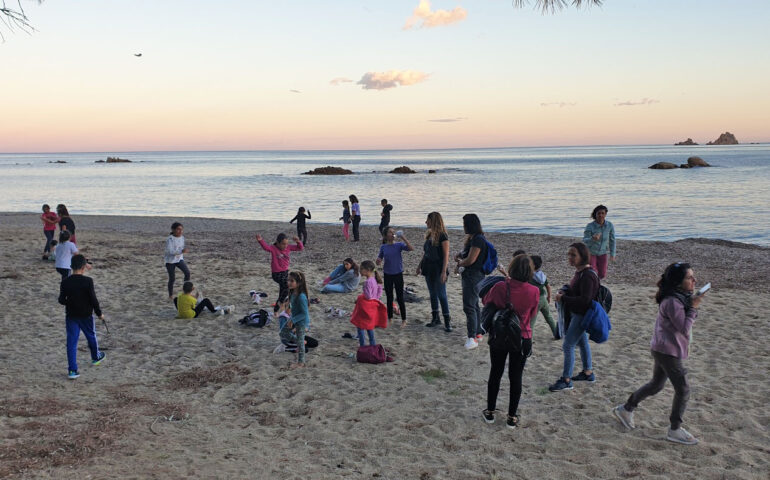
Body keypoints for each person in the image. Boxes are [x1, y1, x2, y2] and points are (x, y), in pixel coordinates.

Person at [612, 262, 704, 445]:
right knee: (683, 389)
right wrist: (694, 307)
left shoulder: (680, 297)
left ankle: (626, 409)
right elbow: (684, 328)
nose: (694, 280)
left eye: (693, 276)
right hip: (667, 351)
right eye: (689, 277)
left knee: (656, 385)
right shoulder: (672, 301)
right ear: (678, 282)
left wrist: (692, 301)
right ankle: (675, 429)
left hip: (664, 348)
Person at [481, 254, 540, 429]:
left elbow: (486, 302)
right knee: (516, 377)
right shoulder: (534, 291)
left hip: (500, 334)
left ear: (512, 268)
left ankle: (490, 412)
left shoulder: (500, 286)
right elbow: (532, 314)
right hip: (522, 336)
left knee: (496, 372)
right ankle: (511, 417)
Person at [549, 242, 600, 392]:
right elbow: (575, 292)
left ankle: (566, 380)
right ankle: (588, 372)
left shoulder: (588, 275)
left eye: (573, 255)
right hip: (577, 313)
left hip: (582, 315)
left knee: (568, 345)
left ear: (582, 256)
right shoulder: (580, 273)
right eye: (569, 254)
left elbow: (585, 300)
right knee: (583, 343)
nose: (570, 257)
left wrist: (563, 299)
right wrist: (564, 291)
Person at [58, 254, 106, 379]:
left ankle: (72, 370)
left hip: (71, 316)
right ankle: (95, 357)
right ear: (84, 267)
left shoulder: (65, 282)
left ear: (71, 266)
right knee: (91, 336)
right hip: (86, 315)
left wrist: (71, 301)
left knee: (72, 343)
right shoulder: (88, 281)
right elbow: (93, 299)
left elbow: (61, 300)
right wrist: (99, 313)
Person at [454, 213, 488, 350]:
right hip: (474, 276)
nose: (463, 227)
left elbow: (471, 260)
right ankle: (477, 333)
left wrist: (460, 263)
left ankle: (472, 337)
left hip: (473, 276)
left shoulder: (478, 239)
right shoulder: (475, 238)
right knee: (474, 305)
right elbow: (468, 255)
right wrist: (461, 255)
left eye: (465, 225)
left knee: (469, 306)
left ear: (470, 225)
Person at [417, 212, 452, 332]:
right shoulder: (429, 235)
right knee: (432, 294)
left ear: (434, 221)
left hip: (438, 268)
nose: (426, 222)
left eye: (428, 220)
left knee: (442, 294)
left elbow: (446, 255)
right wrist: (419, 265)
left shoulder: (443, 236)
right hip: (428, 267)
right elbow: (425, 253)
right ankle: (435, 317)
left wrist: (443, 271)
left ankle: (447, 320)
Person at [256, 232, 304, 312]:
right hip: (276, 274)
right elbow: (266, 247)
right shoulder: (273, 248)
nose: (285, 246)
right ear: (277, 243)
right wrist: (260, 240)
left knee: (283, 291)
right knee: (287, 286)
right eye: (283, 244)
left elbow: (300, 248)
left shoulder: (288, 247)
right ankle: (281, 303)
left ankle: (277, 309)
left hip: (285, 273)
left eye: (286, 244)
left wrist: (298, 241)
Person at [376, 227, 413, 328]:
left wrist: (403, 238)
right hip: (387, 274)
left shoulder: (399, 245)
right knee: (389, 297)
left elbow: (411, 248)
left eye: (393, 232)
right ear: (385, 235)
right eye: (390, 232)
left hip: (398, 274)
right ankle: (390, 318)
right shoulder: (383, 247)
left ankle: (404, 320)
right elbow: (379, 258)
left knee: (400, 297)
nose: (392, 234)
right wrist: (378, 261)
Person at [350, 260, 387, 347]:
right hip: (373, 307)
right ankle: (373, 345)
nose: (360, 271)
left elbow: (368, 296)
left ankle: (362, 346)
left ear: (368, 270)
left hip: (366, 308)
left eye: (362, 269)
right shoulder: (375, 280)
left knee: (360, 327)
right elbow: (378, 294)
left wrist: (359, 298)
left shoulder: (367, 282)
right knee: (370, 328)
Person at [280, 271, 310, 369]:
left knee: (300, 343)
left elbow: (304, 313)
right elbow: (293, 307)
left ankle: (301, 363)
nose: (288, 282)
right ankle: (300, 341)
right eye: (288, 280)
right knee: (283, 333)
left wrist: (293, 320)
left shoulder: (301, 297)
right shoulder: (293, 292)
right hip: (294, 319)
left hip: (301, 321)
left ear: (299, 283)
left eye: (291, 281)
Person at [582, 205, 616, 280]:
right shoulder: (590, 226)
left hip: (603, 253)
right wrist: (592, 238)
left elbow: (612, 240)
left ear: (605, 214)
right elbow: (585, 240)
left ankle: (595, 284)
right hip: (591, 253)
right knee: (593, 272)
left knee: (602, 274)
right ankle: (594, 287)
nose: (601, 215)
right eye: (599, 213)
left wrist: (612, 254)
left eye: (602, 213)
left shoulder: (609, 225)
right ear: (596, 214)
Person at [530, 255, 559, 339]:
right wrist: (549, 297)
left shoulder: (530, 276)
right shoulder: (542, 275)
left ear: (533, 265)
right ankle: (556, 334)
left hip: (535, 300)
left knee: (531, 320)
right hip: (543, 298)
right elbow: (548, 286)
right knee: (549, 317)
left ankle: (529, 339)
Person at [164, 222, 190, 300]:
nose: (180, 231)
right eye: (178, 229)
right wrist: (181, 251)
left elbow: (181, 247)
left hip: (179, 259)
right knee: (172, 278)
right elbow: (170, 252)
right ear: (173, 230)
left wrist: (183, 250)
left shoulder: (182, 237)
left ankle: (186, 291)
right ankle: (170, 295)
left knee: (187, 272)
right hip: (170, 261)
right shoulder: (170, 239)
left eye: (181, 229)